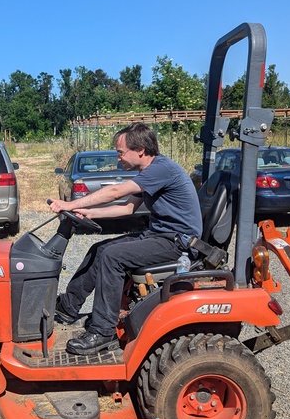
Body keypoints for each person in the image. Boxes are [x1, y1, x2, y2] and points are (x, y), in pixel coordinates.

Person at [49, 122, 202, 355]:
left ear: (140, 150)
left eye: (121, 153)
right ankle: (68, 308)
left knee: (112, 256)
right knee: (100, 249)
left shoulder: (162, 169)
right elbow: (127, 208)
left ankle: (102, 332)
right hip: (160, 235)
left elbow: (115, 192)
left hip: (178, 243)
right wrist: (89, 213)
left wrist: (71, 204)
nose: (118, 159)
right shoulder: (149, 172)